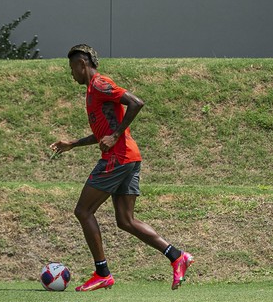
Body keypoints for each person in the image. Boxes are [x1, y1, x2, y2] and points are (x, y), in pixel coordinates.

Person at [50, 44, 194, 292]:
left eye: (72, 68)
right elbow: (102, 133)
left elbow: (136, 103)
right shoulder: (92, 91)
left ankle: (102, 272)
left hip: (118, 157)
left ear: (82, 64)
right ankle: (177, 256)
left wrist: (115, 136)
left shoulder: (99, 84)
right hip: (129, 157)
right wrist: (73, 143)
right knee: (125, 220)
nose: (71, 74)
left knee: (83, 211)